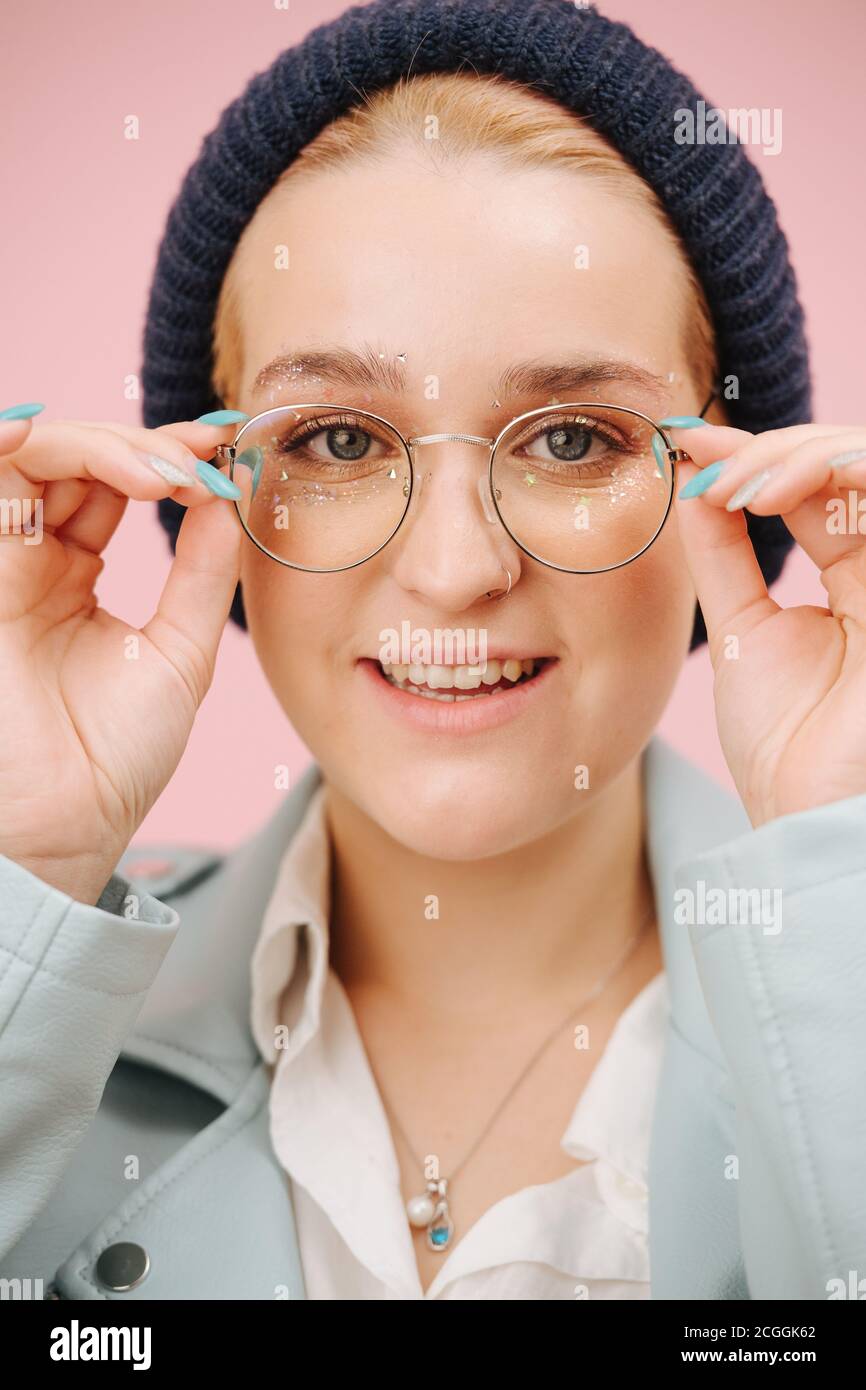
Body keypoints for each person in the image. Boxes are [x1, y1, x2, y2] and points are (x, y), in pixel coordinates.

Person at [1, 0, 864, 1302]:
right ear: (207, 496)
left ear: (732, 497)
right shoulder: (44, 987)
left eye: (572, 438)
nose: (457, 569)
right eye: (337, 441)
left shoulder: (835, 966)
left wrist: (845, 870)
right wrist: (25, 871)